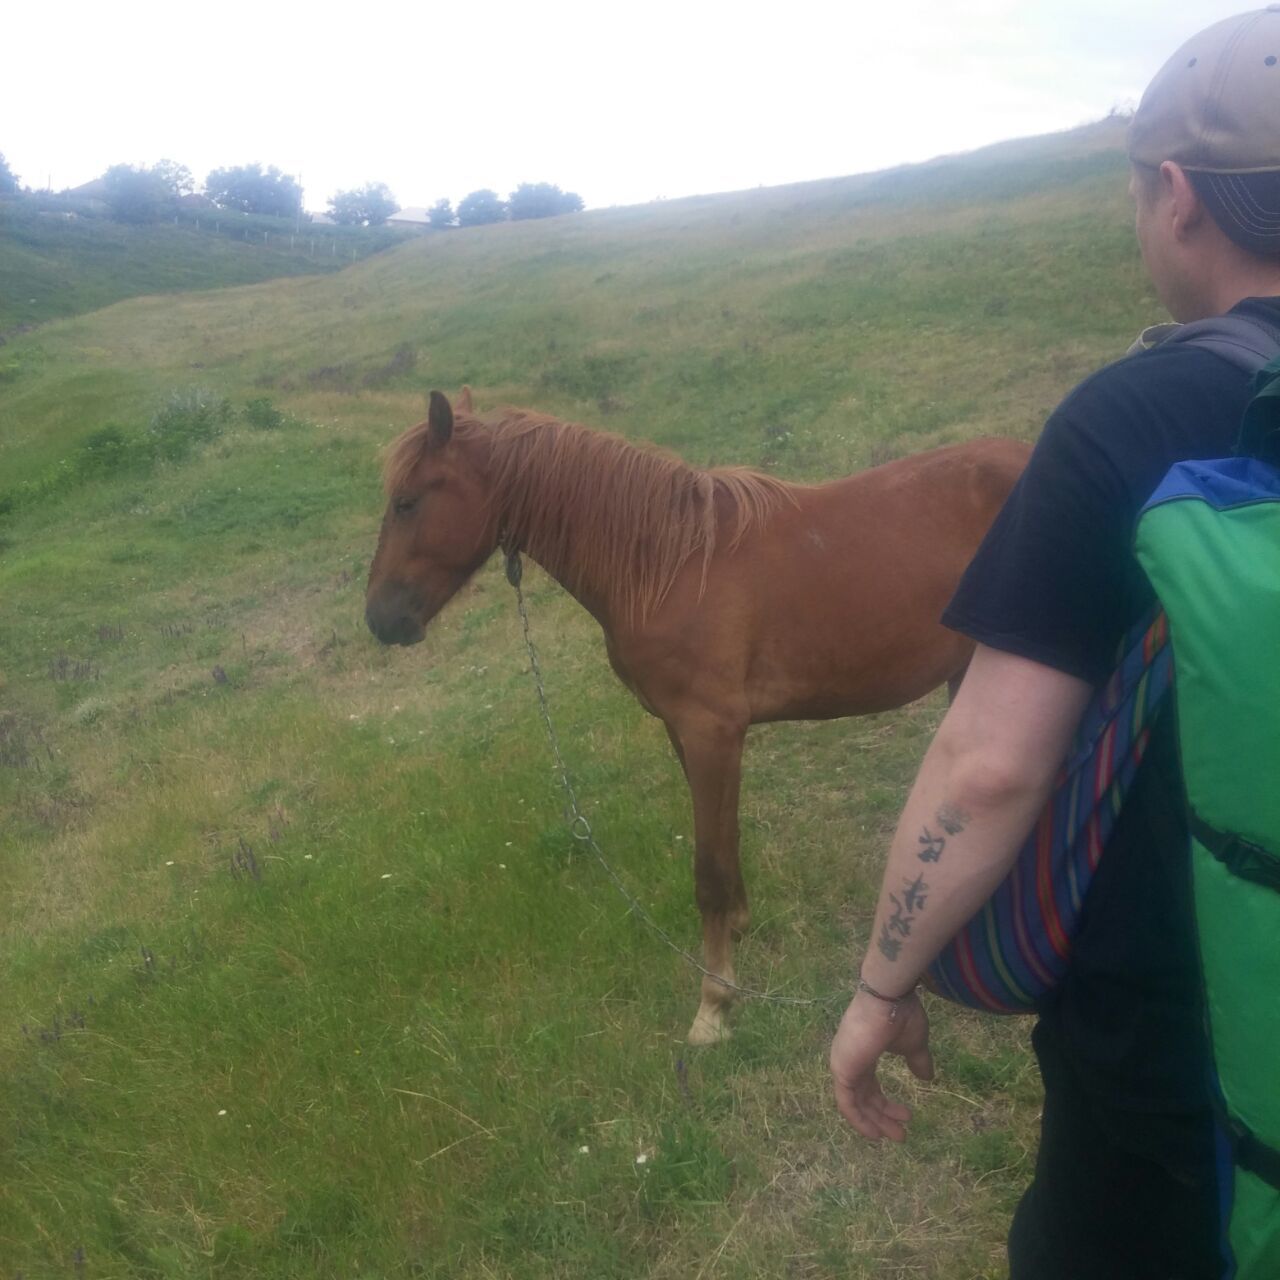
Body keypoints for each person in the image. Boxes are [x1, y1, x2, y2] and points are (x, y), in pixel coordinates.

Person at [828, 10, 1280, 1278]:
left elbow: (988, 764)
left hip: (1180, 1057)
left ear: (1176, 196)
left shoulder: (1130, 419)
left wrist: (879, 985)